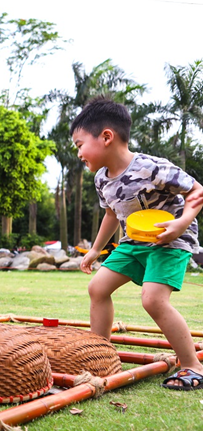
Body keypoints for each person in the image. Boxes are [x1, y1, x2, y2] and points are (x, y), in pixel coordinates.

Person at [73, 96, 203, 391]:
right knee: (97, 287)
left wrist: (180, 223)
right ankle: (101, 355)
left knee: (153, 299)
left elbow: (197, 190)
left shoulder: (152, 167)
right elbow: (110, 213)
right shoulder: (101, 179)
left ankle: (193, 366)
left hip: (170, 239)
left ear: (106, 136)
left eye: (80, 144)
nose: (79, 153)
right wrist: (96, 249)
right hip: (133, 242)